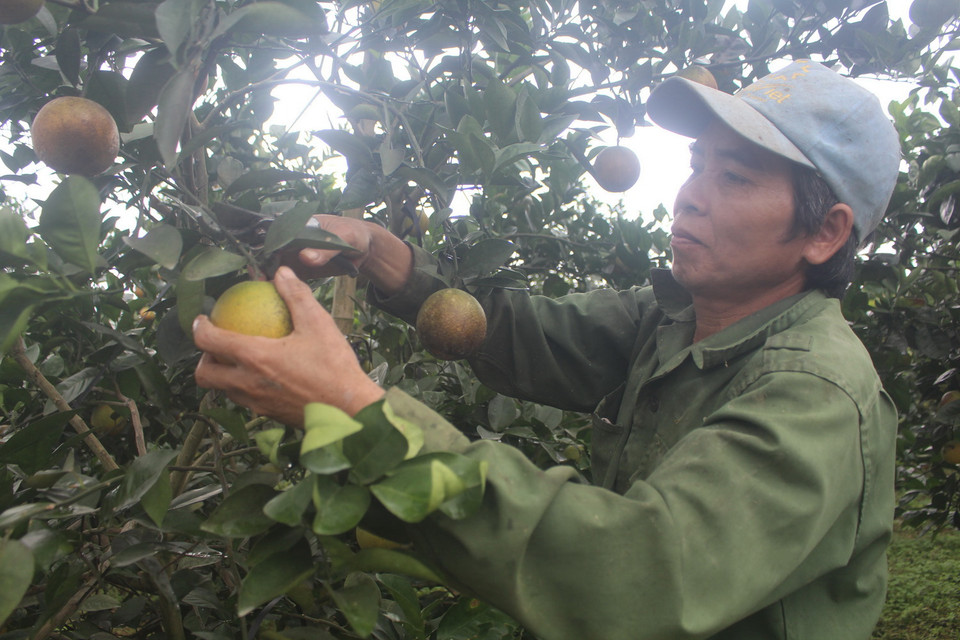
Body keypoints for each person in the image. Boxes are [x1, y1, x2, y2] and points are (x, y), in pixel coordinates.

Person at [194, 60, 901, 639]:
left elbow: (637, 576)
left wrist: (353, 412)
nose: (690, 197)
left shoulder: (816, 394)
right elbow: (518, 333)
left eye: (735, 178)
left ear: (825, 232)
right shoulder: (674, 321)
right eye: (697, 165)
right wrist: (387, 259)